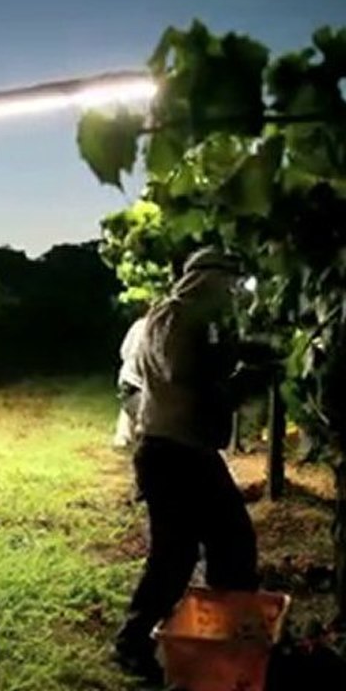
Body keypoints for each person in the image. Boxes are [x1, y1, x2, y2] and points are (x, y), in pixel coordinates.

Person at [113, 247, 276, 682]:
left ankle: (222, 635)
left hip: (181, 450)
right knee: (190, 552)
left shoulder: (180, 316)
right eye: (228, 285)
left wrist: (244, 351)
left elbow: (205, 363)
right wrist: (247, 377)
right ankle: (140, 644)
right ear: (208, 281)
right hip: (175, 454)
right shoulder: (180, 318)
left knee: (215, 547)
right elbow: (191, 375)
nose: (232, 295)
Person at [112, 314, 147, 448]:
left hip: (128, 379)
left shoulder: (138, 325)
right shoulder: (152, 328)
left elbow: (123, 352)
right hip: (134, 382)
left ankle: (123, 436)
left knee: (130, 403)